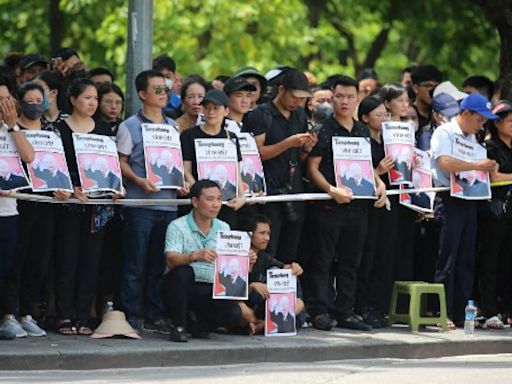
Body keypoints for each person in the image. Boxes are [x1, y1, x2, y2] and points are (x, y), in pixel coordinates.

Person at [307, 76, 387, 331]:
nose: (344, 101)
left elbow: (367, 167)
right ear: (332, 97)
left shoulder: (362, 130)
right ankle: (319, 310)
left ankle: (346, 310)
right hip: (330, 206)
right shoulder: (324, 129)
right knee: (323, 260)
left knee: (351, 262)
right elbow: (312, 168)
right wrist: (332, 190)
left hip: (358, 207)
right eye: (339, 96)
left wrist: (380, 184)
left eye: (350, 97)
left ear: (357, 99)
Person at [116, 69, 186, 332]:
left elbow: (176, 163)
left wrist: (184, 181)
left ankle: (154, 313)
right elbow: (120, 163)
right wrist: (139, 180)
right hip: (140, 206)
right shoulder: (129, 126)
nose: (163, 94)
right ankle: (131, 314)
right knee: (134, 264)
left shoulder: (173, 126)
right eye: (157, 89)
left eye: (165, 89)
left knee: (159, 264)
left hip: (168, 205)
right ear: (143, 94)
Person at [0, 81, 69, 338]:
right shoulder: (12, 127)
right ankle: (8, 314)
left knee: (37, 260)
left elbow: (36, 159)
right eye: (26, 101)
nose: (34, 106)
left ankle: (26, 313)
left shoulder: (46, 131)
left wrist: (63, 187)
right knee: (14, 262)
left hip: (40, 203)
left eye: (38, 100)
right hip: (19, 203)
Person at [53, 78, 116, 336]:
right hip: (69, 204)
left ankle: (83, 315)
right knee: (67, 259)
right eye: (87, 97)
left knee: (92, 261)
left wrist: (115, 187)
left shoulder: (103, 129)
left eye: (95, 98)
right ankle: (64, 316)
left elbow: (109, 166)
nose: (92, 103)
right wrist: (68, 185)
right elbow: (52, 165)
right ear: (73, 99)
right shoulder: (59, 129)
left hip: (97, 206)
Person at [430, 93, 498, 328]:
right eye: (479, 119)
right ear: (466, 114)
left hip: (470, 197)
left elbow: (478, 168)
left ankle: (461, 312)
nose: (482, 125)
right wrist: (476, 165)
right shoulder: (444, 133)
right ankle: (443, 311)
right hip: (448, 198)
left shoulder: (473, 140)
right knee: (447, 256)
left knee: (466, 256)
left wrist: (486, 168)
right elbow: (445, 163)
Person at [160, 180, 257, 342]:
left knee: (235, 314)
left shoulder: (224, 227)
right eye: (210, 199)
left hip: (210, 288)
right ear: (195, 202)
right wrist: (194, 256)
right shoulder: (177, 226)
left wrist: (247, 261)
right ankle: (178, 326)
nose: (216, 204)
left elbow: (232, 270)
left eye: (219, 199)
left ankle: (199, 327)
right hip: (182, 288)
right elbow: (170, 259)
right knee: (183, 272)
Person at [244, 68, 317, 263]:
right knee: (268, 249)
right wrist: (288, 143)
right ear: (281, 89)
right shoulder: (260, 115)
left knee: (291, 252)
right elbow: (256, 154)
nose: (298, 103)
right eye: (294, 97)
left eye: (302, 99)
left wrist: (306, 148)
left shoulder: (300, 116)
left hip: (294, 190)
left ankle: (287, 292)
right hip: (268, 193)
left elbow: (299, 156)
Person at [354, 96, 396, 328]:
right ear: (365, 118)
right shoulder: (361, 142)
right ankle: (362, 306)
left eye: (385, 115)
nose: (384, 119)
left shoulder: (389, 141)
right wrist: (378, 171)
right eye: (378, 115)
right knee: (366, 255)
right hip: (368, 204)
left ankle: (379, 305)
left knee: (384, 255)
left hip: (390, 203)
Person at [0, 78, 35, 340]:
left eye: (7, 99)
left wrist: (13, 126)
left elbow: (29, 157)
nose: (4, 104)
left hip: (8, 211)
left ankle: (6, 318)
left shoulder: (11, 129)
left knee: (6, 268)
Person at [181, 89, 245, 227]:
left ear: (226, 111)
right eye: (207, 108)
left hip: (227, 202)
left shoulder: (232, 137)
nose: (211, 112)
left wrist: (242, 197)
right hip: (199, 204)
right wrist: (199, 195)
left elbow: (236, 171)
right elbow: (186, 170)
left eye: (216, 108)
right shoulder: (188, 136)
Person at [477, 101, 512, 328]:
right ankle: (489, 308)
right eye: (510, 121)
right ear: (497, 123)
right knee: (490, 259)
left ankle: (508, 309)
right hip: (496, 210)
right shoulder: (490, 147)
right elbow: (494, 178)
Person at [245, 214, 305, 334]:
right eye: (262, 233)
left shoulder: (263, 256)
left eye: (268, 234)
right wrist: (252, 286)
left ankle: (264, 324)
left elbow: (283, 267)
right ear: (250, 234)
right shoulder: (236, 255)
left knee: (288, 274)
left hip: (268, 307)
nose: (267, 238)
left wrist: (294, 267)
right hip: (247, 306)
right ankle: (265, 324)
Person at [410, 65, 442, 130]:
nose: (434, 90)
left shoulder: (441, 114)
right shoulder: (406, 114)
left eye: (437, 86)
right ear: (416, 88)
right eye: (429, 86)